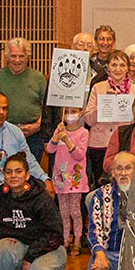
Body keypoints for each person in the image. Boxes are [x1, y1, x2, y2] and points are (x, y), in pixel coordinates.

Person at [0, 37, 49, 164]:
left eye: (21, 56)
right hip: (3, 134)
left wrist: (37, 125)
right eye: (13, 56)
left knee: (30, 172)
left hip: (33, 136)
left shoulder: (38, 77)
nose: (17, 60)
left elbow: (47, 108)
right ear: (7, 57)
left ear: (27, 57)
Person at [83, 49, 135, 184]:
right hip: (99, 144)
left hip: (125, 143)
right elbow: (88, 120)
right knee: (101, 183)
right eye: (114, 65)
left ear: (128, 68)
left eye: (122, 65)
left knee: (126, 183)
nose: (118, 69)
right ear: (108, 67)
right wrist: (105, 103)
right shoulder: (98, 87)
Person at [45, 107, 89, 256]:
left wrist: (67, 140)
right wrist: (57, 137)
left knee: (75, 211)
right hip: (60, 178)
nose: (70, 115)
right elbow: (50, 150)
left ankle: (77, 240)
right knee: (63, 212)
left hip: (75, 178)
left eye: (74, 111)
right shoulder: (59, 130)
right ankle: (65, 241)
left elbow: (79, 154)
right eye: (68, 112)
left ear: (80, 113)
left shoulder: (83, 132)